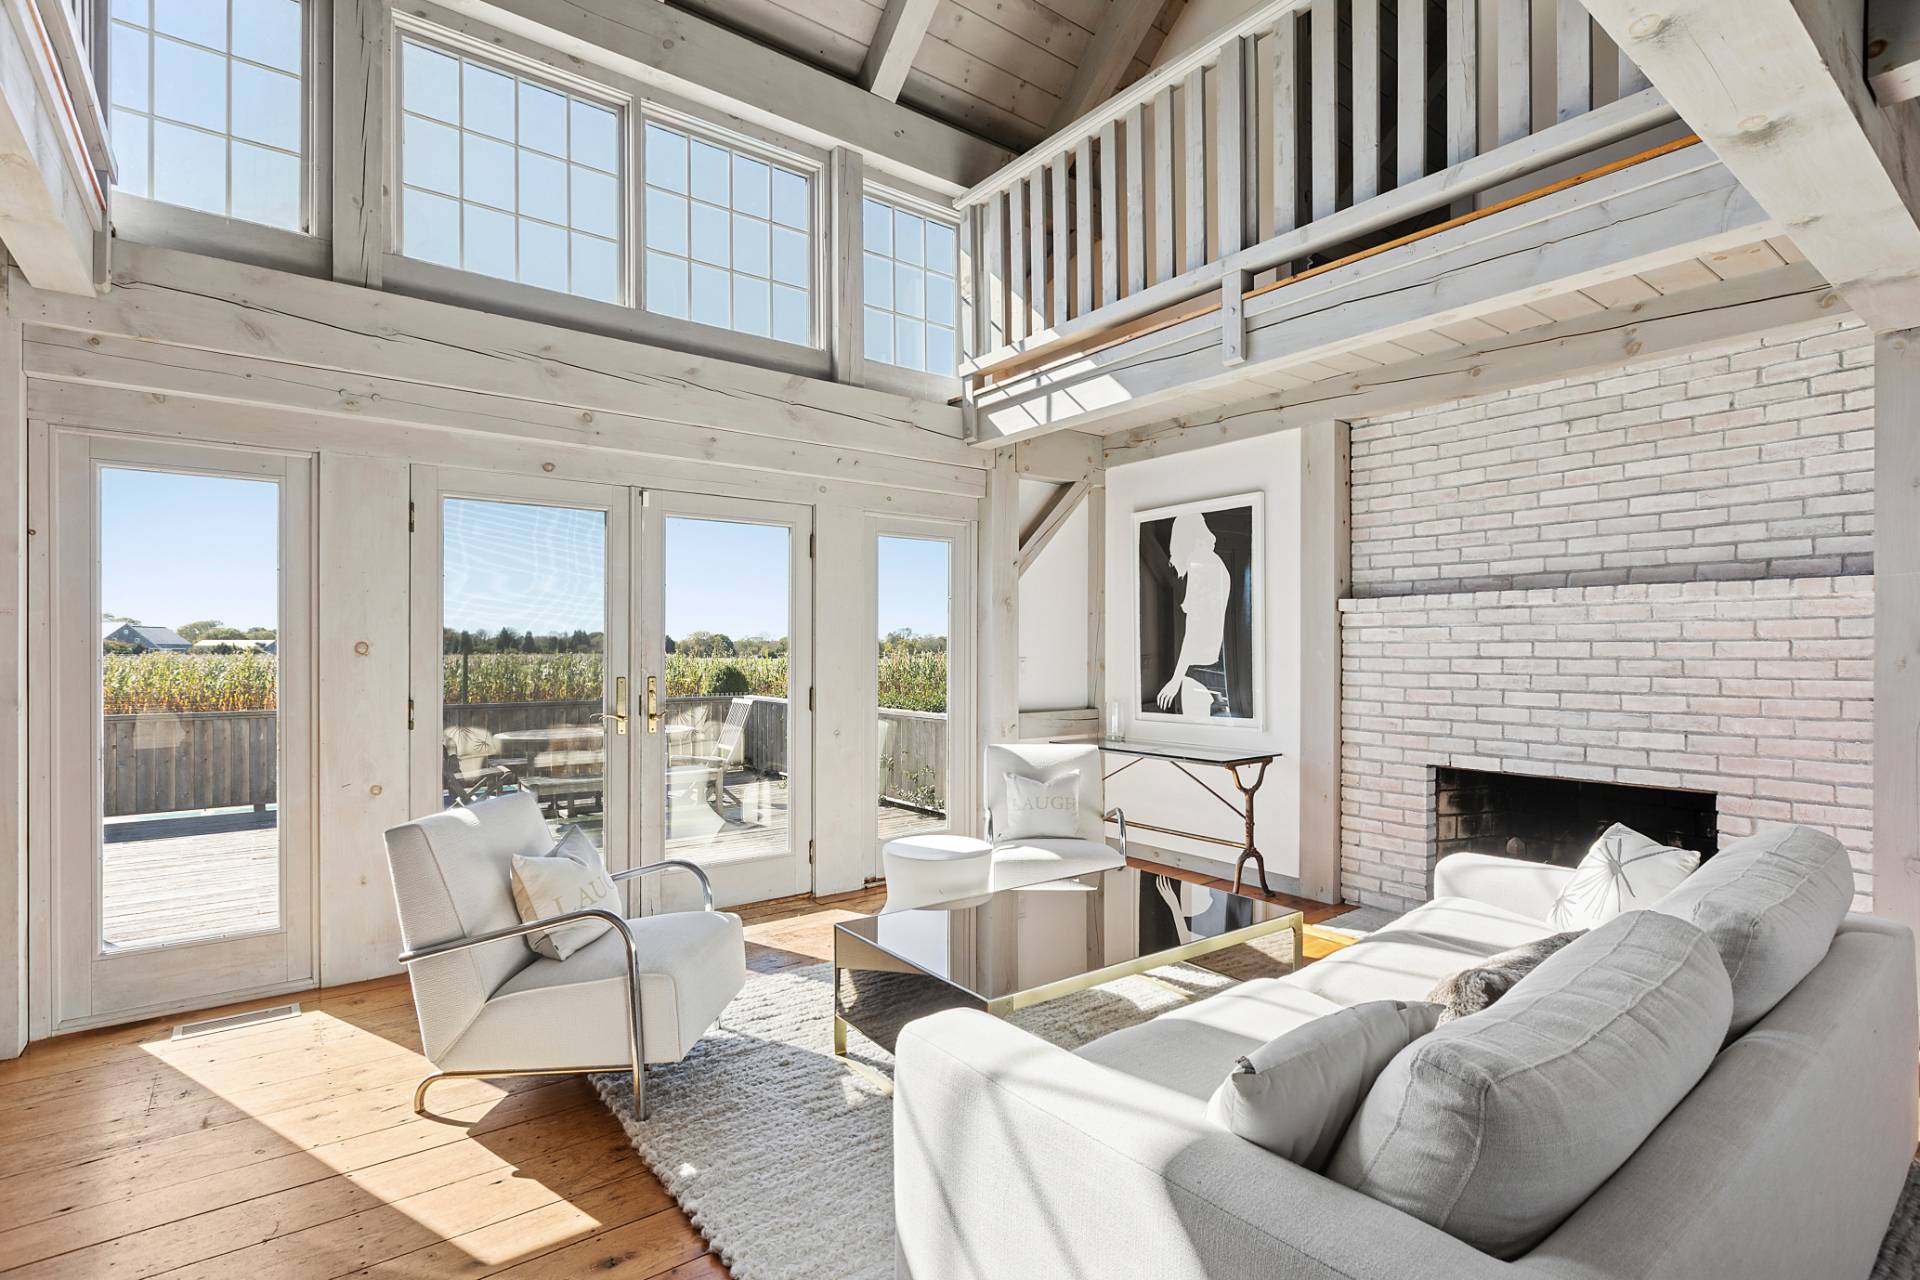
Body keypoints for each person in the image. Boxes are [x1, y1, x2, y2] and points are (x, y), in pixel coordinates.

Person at [1154, 512, 1230, 717]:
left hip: (1195, 670)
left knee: (1194, 735)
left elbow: (1193, 630)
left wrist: (1175, 680)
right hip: (1214, 667)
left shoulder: (1199, 565)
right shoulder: (1218, 564)